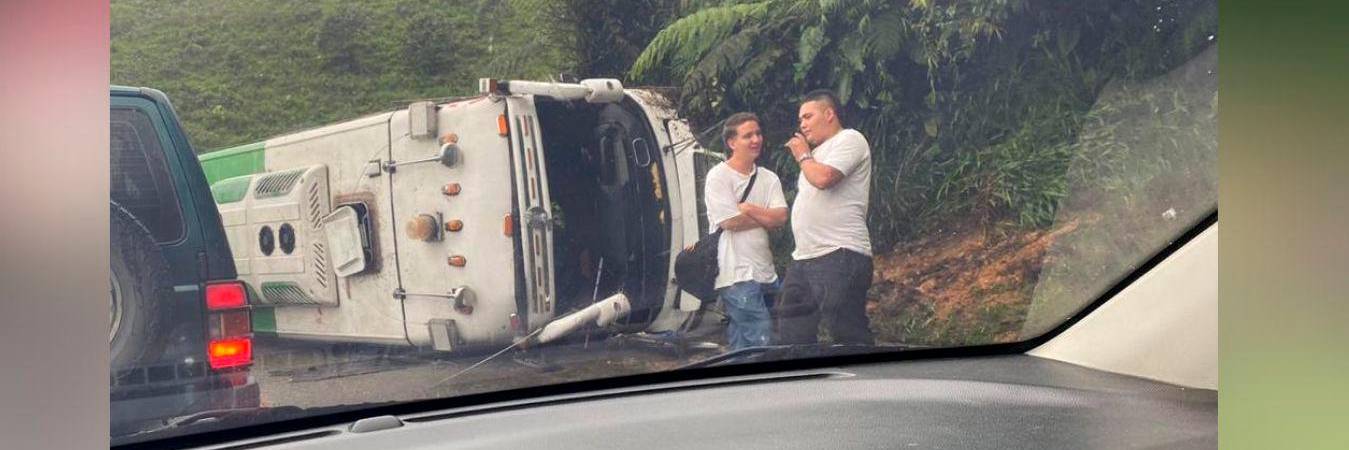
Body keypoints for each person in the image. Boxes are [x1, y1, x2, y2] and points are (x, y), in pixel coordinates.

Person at [777, 89, 875, 345]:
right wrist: (807, 157)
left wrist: (802, 155)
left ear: (829, 114)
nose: (803, 125)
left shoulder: (850, 139)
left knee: (846, 330)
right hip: (804, 258)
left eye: (808, 117)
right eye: (800, 120)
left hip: (840, 253)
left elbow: (824, 179)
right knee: (791, 332)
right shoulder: (815, 155)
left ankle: (869, 383)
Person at [704, 112, 789, 351]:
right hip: (735, 273)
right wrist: (766, 217)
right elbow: (729, 221)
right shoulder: (718, 176)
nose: (756, 140)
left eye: (758, 134)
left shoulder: (768, 178)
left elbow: (782, 217)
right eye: (747, 135)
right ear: (732, 143)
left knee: (743, 342)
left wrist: (750, 209)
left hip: (765, 271)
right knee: (761, 336)